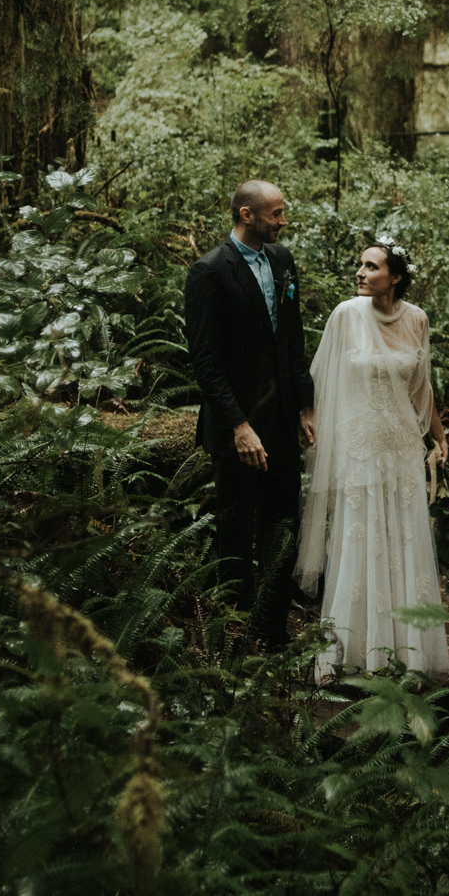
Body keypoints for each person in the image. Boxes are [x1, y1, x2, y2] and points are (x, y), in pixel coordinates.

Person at [295, 241, 449, 679]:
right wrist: (311, 419)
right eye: (360, 265)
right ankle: (347, 649)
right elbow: (320, 377)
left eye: (371, 266)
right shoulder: (346, 314)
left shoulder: (417, 319)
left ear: (395, 276)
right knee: (357, 541)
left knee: (403, 544)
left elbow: (421, 390)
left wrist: (439, 437)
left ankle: (407, 653)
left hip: (401, 447)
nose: (360, 272)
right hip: (360, 447)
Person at [184, 180, 318, 649]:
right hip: (235, 425)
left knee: (283, 526)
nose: (283, 221)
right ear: (246, 214)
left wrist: (305, 404)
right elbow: (206, 360)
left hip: (281, 419)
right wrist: (238, 426)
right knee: (236, 532)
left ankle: (275, 633)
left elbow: (293, 339)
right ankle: (234, 639)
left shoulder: (282, 262)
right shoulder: (208, 272)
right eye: (276, 214)